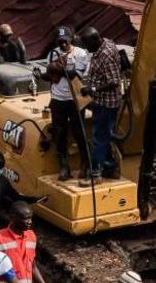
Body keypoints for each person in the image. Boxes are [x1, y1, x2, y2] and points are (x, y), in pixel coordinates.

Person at [44, 26, 92, 180]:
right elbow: (51, 75)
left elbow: (77, 75)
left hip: (74, 99)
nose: (63, 45)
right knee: (60, 134)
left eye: (65, 41)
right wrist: (44, 75)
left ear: (71, 39)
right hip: (58, 100)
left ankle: (86, 164)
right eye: (60, 42)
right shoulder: (53, 54)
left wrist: (60, 69)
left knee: (80, 133)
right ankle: (64, 167)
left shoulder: (81, 53)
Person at [81, 26, 126, 180]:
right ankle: (110, 167)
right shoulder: (106, 43)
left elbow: (114, 81)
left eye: (87, 44)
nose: (86, 48)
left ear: (95, 40)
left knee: (99, 137)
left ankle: (95, 171)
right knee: (105, 136)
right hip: (100, 101)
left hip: (106, 104)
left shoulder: (105, 55)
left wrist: (93, 88)